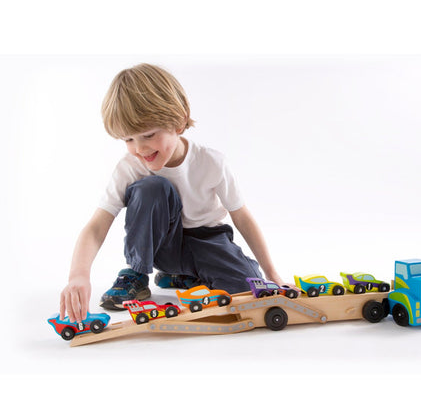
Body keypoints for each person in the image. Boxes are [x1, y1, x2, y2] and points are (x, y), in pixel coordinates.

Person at [60, 63, 284, 322]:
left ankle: (185, 276)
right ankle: (136, 274)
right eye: (128, 139)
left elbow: (242, 217)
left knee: (245, 288)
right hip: (162, 245)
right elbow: (97, 226)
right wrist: (78, 274)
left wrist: (271, 272)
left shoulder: (211, 162)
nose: (139, 148)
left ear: (178, 122)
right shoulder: (130, 167)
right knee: (153, 187)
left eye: (148, 135)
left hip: (208, 241)